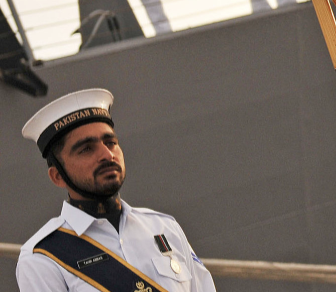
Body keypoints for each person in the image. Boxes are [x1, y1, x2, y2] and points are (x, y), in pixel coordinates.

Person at [17, 89, 215, 291]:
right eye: (86, 149)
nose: (107, 155)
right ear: (57, 176)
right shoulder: (43, 257)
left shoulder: (164, 228)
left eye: (111, 143)